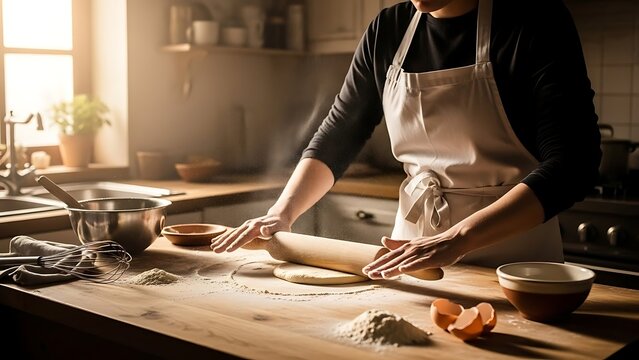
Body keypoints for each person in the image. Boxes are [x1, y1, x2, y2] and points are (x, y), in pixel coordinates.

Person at [211, 0, 601, 280]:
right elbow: (340, 132)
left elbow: (574, 164)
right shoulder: (388, 29)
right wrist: (283, 211)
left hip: (514, 264)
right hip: (408, 257)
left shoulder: (535, 20)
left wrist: (457, 238)